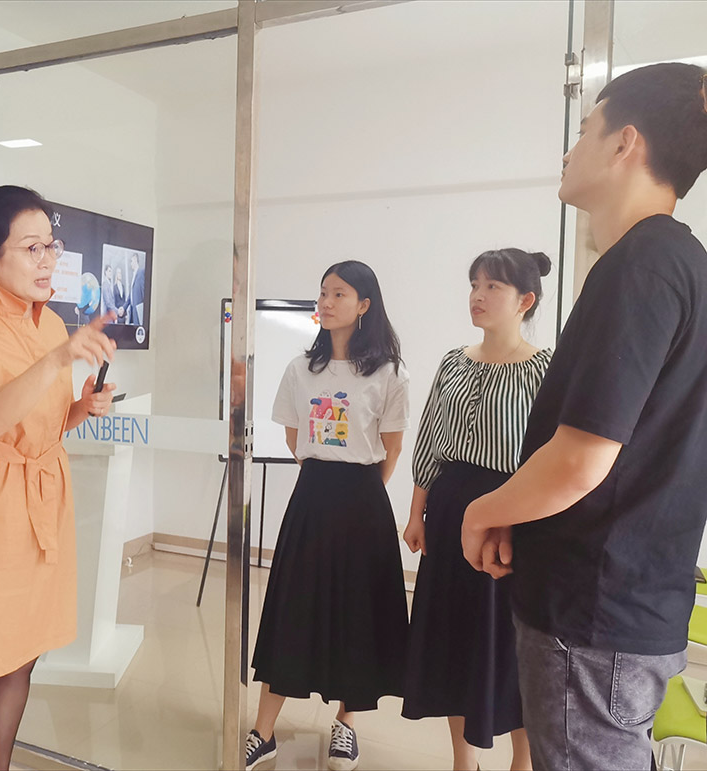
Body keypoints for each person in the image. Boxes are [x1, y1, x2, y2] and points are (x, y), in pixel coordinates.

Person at [461, 63, 707, 770]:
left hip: (596, 616)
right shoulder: (680, 262)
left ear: (625, 142)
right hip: (627, 604)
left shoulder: (640, 267)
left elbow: (580, 460)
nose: (569, 152)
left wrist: (481, 510)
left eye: (583, 130)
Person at [0, 185, 117, 771]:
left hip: (43, 501)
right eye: (31, 248)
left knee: (21, 657)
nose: (47, 260)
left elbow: (42, 423)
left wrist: (81, 408)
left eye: (50, 246)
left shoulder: (50, 325)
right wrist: (58, 360)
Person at [245, 260, 410, 771]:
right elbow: (294, 436)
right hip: (313, 497)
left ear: (364, 305)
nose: (326, 302)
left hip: (363, 501)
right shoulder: (301, 369)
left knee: (357, 614)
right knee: (292, 609)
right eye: (323, 293)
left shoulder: (388, 372)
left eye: (339, 293)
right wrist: (325, 477)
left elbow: (391, 448)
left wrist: (358, 489)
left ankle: (346, 724)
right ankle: (263, 731)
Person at [402, 249, 553, 771]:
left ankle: (523, 762)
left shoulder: (545, 369)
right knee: (455, 636)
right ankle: (462, 761)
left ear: (525, 301)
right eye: (474, 285)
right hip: (450, 509)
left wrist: (519, 514)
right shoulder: (453, 362)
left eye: (492, 287)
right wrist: (417, 512)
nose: (478, 296)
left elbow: (552, 454)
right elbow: (429, 440)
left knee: (514, 644)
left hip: (515, 514)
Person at [127, 252, 145, 326]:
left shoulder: (141, 273)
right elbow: (131, 295)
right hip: (133, 311)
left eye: (131, 261)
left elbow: (143, 292)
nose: (130, 263)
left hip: (139, 310)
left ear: (135, 259)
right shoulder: (133, 275)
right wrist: (124, 307)